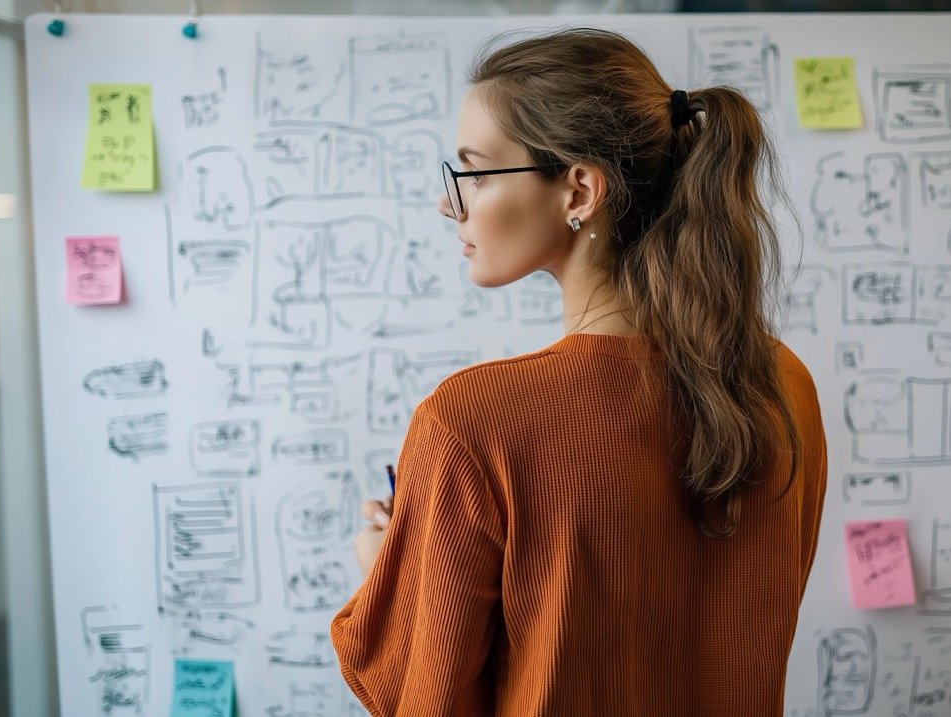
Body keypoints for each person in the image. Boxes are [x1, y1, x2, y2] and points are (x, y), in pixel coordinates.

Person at [330, 27, 827, 716]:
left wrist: (384, 574)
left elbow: (428, 699)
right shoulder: (781, 383)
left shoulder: (473, 419)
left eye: (473, 171)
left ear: (580, 191)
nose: (451, 202)